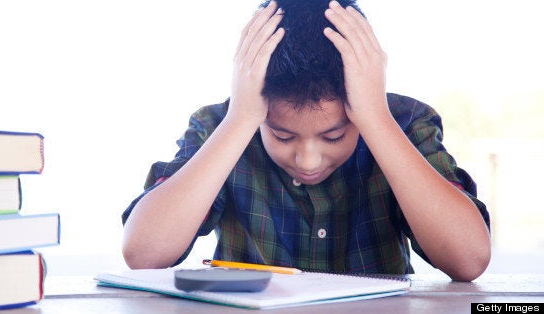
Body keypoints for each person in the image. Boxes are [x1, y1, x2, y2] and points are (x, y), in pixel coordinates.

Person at [121, 0, 491, 281]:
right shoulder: (222, 125)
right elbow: (143, 253)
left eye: (334, 135)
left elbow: (469, 259)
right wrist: (241, 118)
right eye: (282, 135)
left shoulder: (402, 123)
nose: (308, 160)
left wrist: (375, 117)